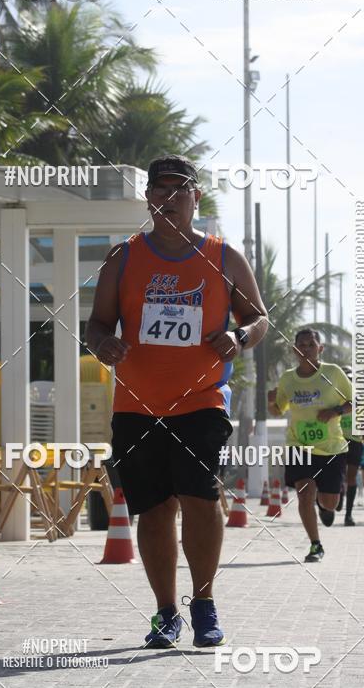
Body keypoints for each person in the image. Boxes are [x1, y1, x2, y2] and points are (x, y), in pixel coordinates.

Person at [86, 154, 267, 648]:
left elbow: (258, 318)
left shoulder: (223, 256)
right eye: (160, 191)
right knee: (154, 509)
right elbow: (96, 324)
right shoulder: (123, 257)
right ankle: (166, 612)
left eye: (179, 190)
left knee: (201, 498)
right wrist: (103, 344)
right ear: (148, 198)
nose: (168, 199)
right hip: (136, 405)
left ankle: (203, 604)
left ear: (196, 197)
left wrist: (239, 337)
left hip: (202, 402)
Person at [267, 328, 352, 563]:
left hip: (331, 447)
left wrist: (335, 411)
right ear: (294, 350)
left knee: (329, 502)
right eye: (301, 345)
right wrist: (271, 403)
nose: (306, 349)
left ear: (320, 349)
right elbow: (278, 411)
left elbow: (356, 402)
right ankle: (316, 544)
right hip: (299, 444)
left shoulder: (333, 373)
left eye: (311, 345)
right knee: (304, 494)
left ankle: (324, 507)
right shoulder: (288, 378)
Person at [337, 365, 364, 527]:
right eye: (346, 378)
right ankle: (339, 492)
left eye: (351, 379)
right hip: (338, 440)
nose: (349, 381)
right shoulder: (334, 397)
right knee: (338, 474)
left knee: (351, 477)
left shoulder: (359, 398)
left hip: (355, 441)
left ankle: (348, 515)